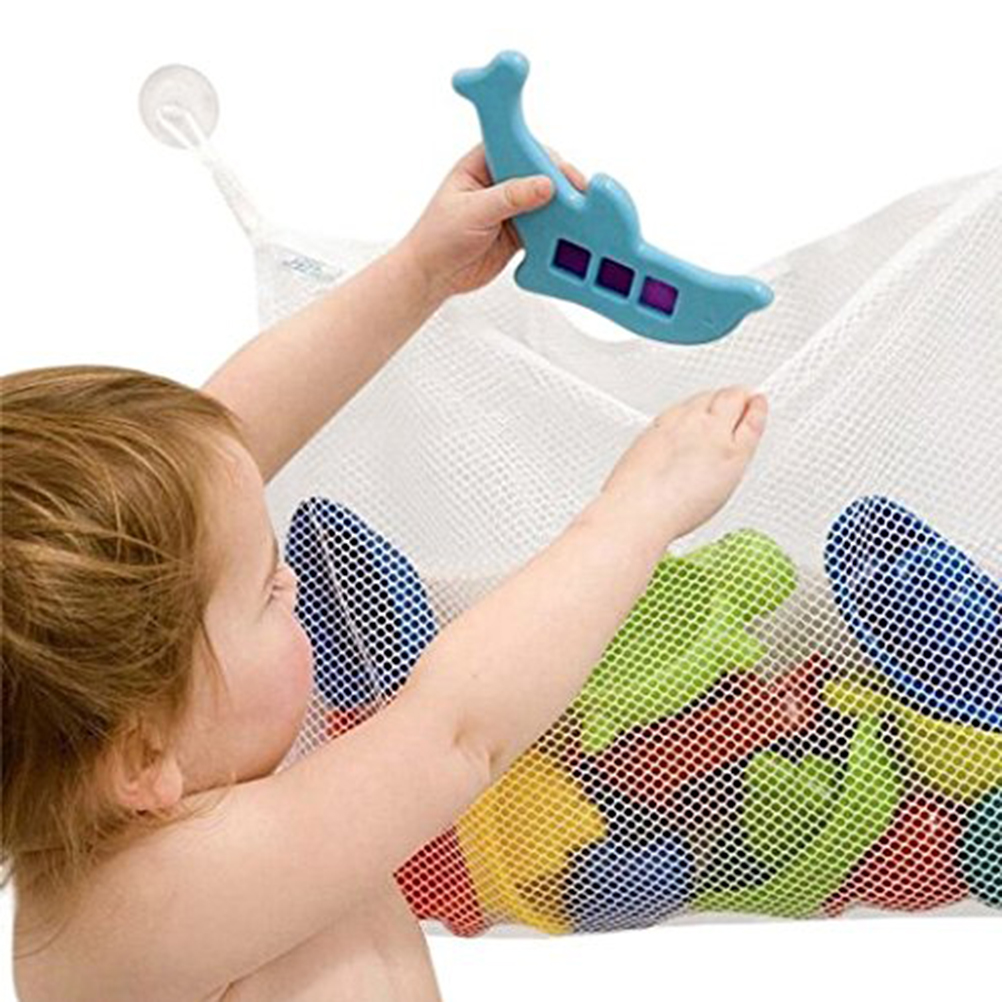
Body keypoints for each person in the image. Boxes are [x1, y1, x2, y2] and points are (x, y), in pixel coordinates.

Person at [2, 142, 768, 1001]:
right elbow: (453, 733)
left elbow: (219, 452)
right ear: (144, 754)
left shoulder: (141, 764)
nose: (291, 582)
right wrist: (638, 512)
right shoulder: (142, 913)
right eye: (263, 591)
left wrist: (418, 273)